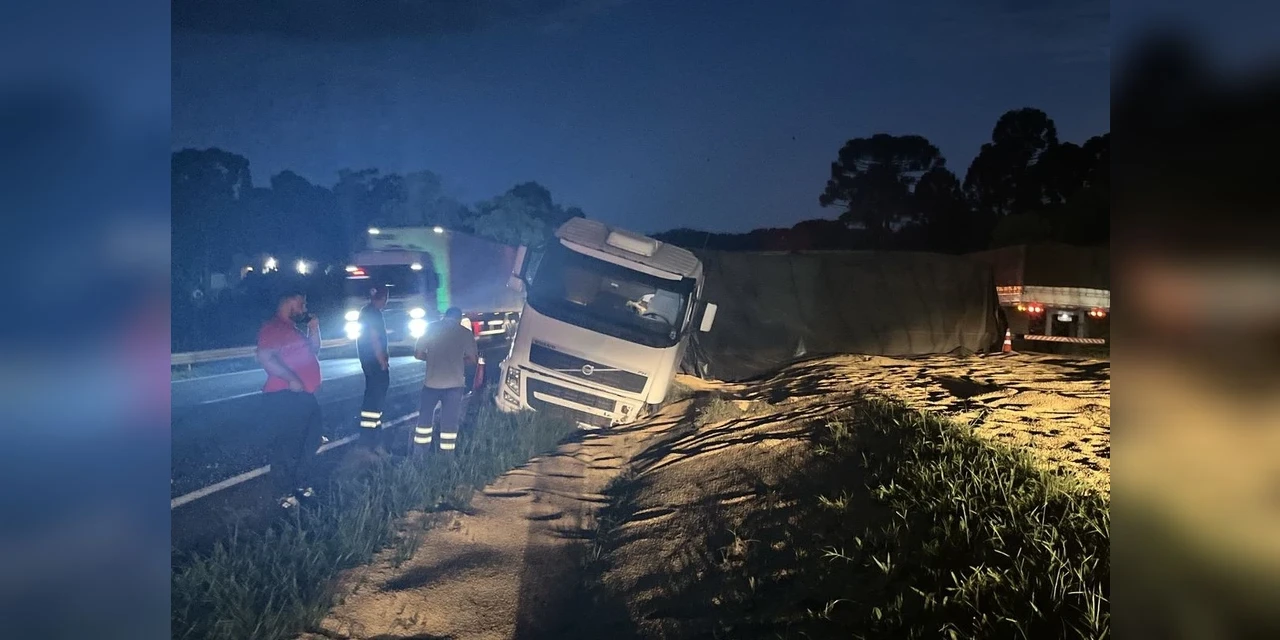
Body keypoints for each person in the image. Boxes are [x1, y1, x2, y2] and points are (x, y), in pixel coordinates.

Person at [255, 289, 324, 509]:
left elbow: (314, 350)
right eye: (301, 303)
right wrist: (292, 379)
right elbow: (265, 357)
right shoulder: (273, 327)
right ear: (288, 301)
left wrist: (314, 329)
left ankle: (301, 484)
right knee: (287, 447)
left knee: (311, 440)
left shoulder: (292, 330)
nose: (304, 308)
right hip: (284, 395)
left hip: (304, 396)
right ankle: (284, 494)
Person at [412, 307, 478, 452]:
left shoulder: (430, 328)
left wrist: (432, 359)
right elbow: (473, 359)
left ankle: (419, 456)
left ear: (444, 316)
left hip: (431, 384)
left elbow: (417, 354)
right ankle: (446, 457)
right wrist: (458, 361)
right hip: (454, 384)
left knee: (424, 421)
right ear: (459, 319)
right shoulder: (465, 333)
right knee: (449, 423)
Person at [356, 286, 391, 451]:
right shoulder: (374, 314)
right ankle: (371, 436)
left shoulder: (365, 311)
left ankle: (370, 431)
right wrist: (382, 360)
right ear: (383, 298)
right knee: (376, 398)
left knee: (371, 396)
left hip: (367, 361)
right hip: (375, 363)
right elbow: (374, 337)